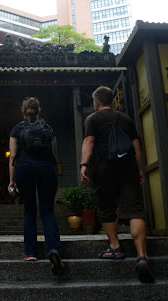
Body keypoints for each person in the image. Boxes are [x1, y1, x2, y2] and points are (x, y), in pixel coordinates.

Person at [80, 86, 155, 283]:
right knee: (134, 209)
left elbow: (89, 141)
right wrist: (139, 169)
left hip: (105, 166)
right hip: (128, 165)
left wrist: (84, 164)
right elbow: (136, 145)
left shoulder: (93, 119)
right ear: (112, 100)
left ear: (97, 102)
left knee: (106, 206)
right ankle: (142, 256)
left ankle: (115, 247)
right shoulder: (126, 118)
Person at [8, 97, 66, 276]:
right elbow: (54, 155)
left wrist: (11, 181)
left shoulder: (17, 128)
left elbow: (12, 156)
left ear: (23, 112)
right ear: (39, 111)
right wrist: (55, 179)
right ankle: (53, 249)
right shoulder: (48, 129)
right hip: (46, 169)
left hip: (24, 168)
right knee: (47, 211)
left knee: (30, 210)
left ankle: (31, 252)